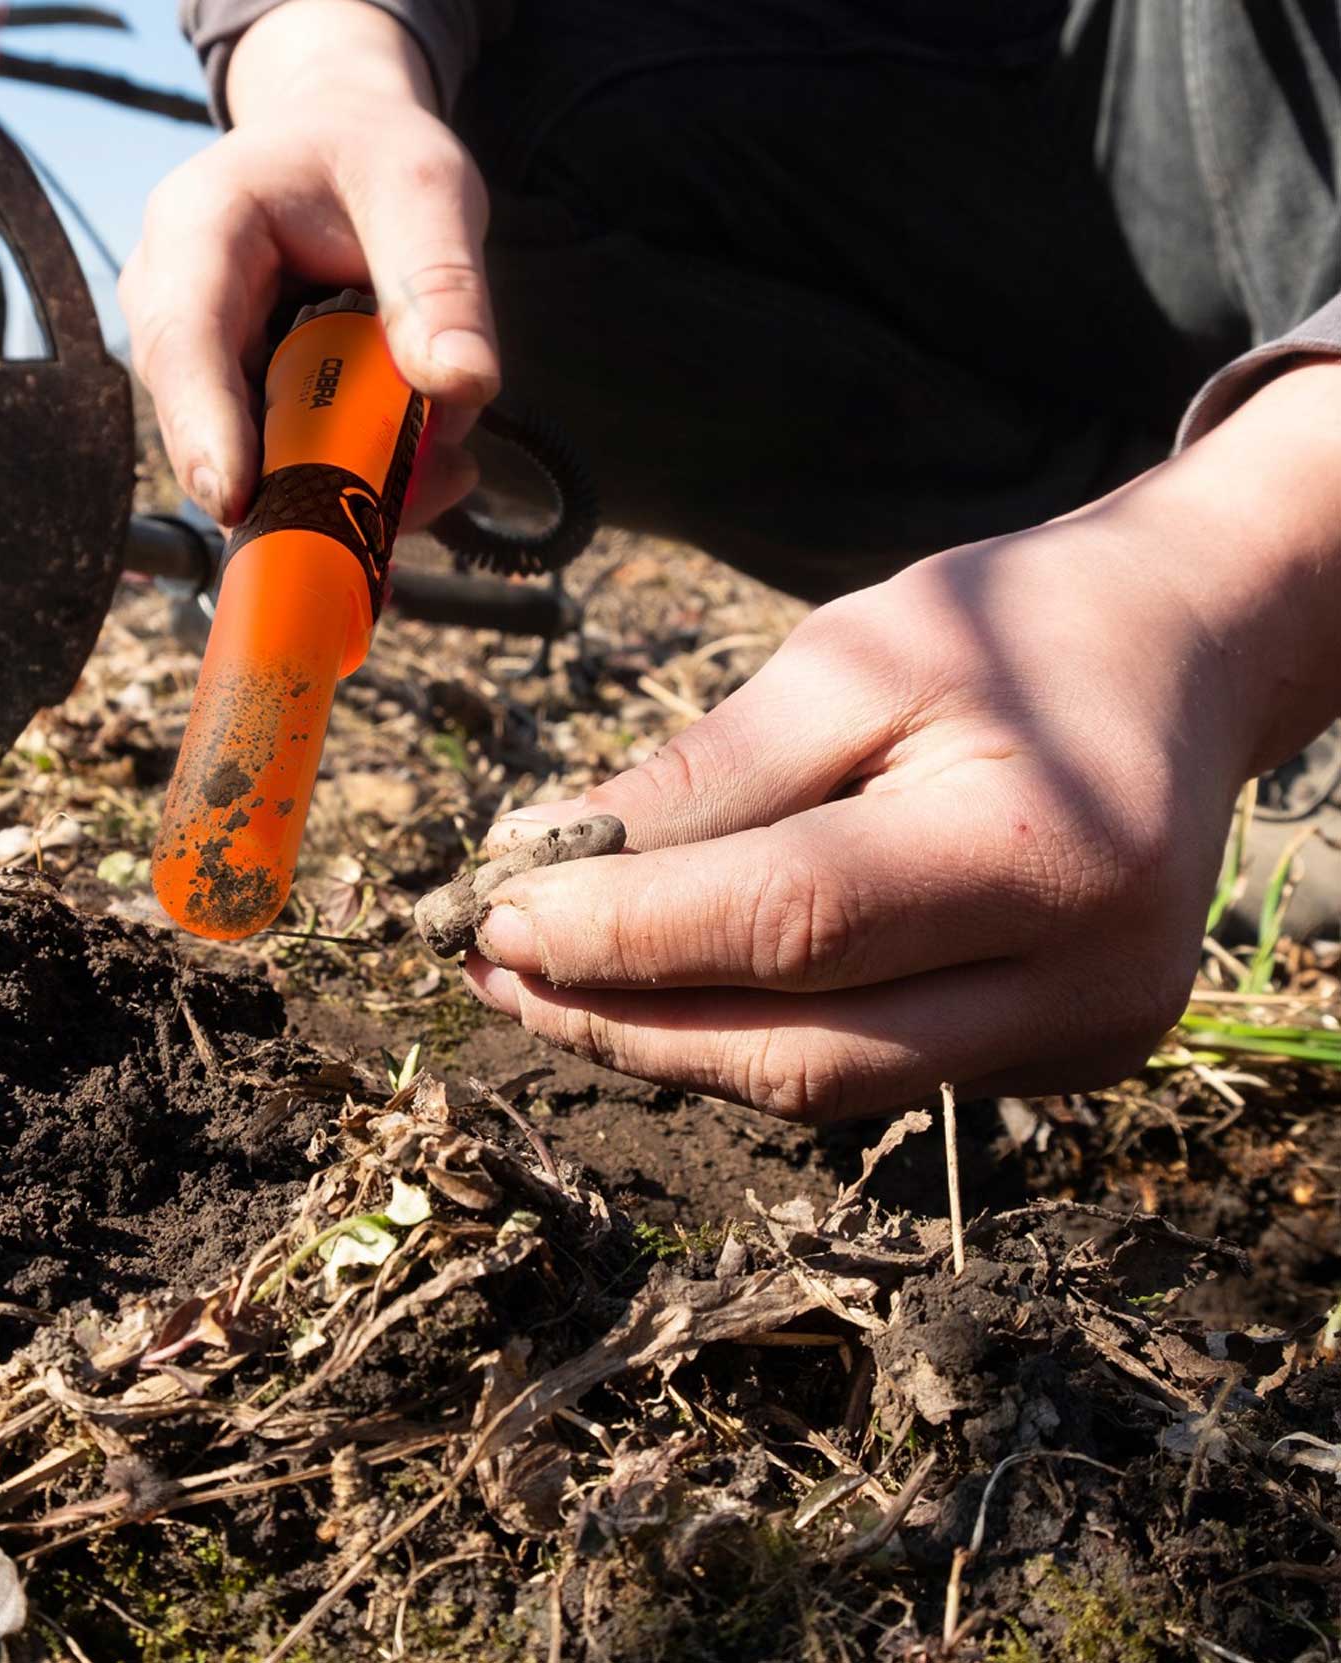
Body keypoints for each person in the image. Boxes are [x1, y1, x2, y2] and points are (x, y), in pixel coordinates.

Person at [124, 0, 1341, 1121]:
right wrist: (327, 67)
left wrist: (1225, 577)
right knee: (474, 175)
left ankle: (1253, 641)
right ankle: (1118, 618)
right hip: (965, 112)